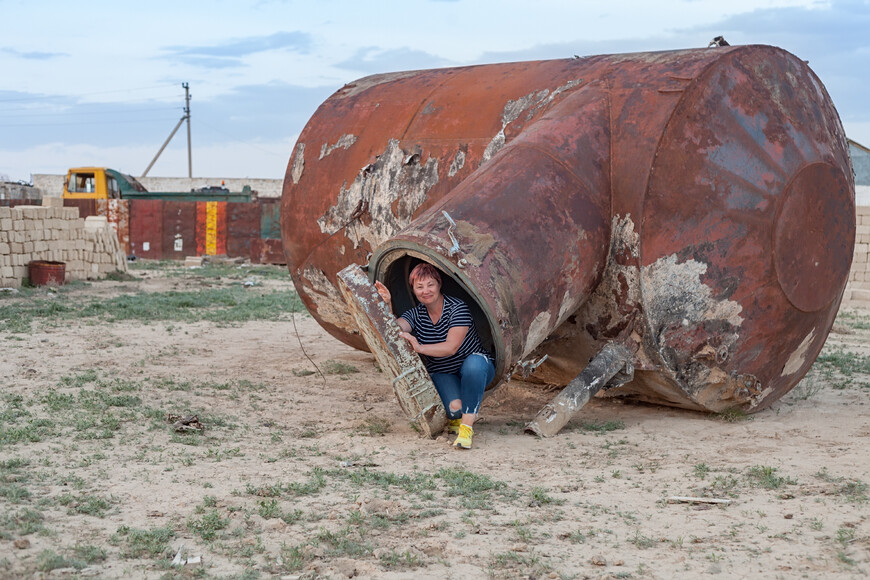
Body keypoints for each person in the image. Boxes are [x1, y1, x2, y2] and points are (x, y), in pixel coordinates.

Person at [375, 263, 494, 449]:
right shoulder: (415, 314)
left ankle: (466, 429)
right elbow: (394, 331)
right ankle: (459, 416)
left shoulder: (457, 308)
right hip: (443, 371)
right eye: (419, 287)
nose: (426, 291)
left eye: (430, 285)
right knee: (455, 410)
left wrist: (419, 347)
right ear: (413, 290)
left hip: (475, 368)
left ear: (439, 284)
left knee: (474, 365)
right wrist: (387, 304)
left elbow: (451, 348)